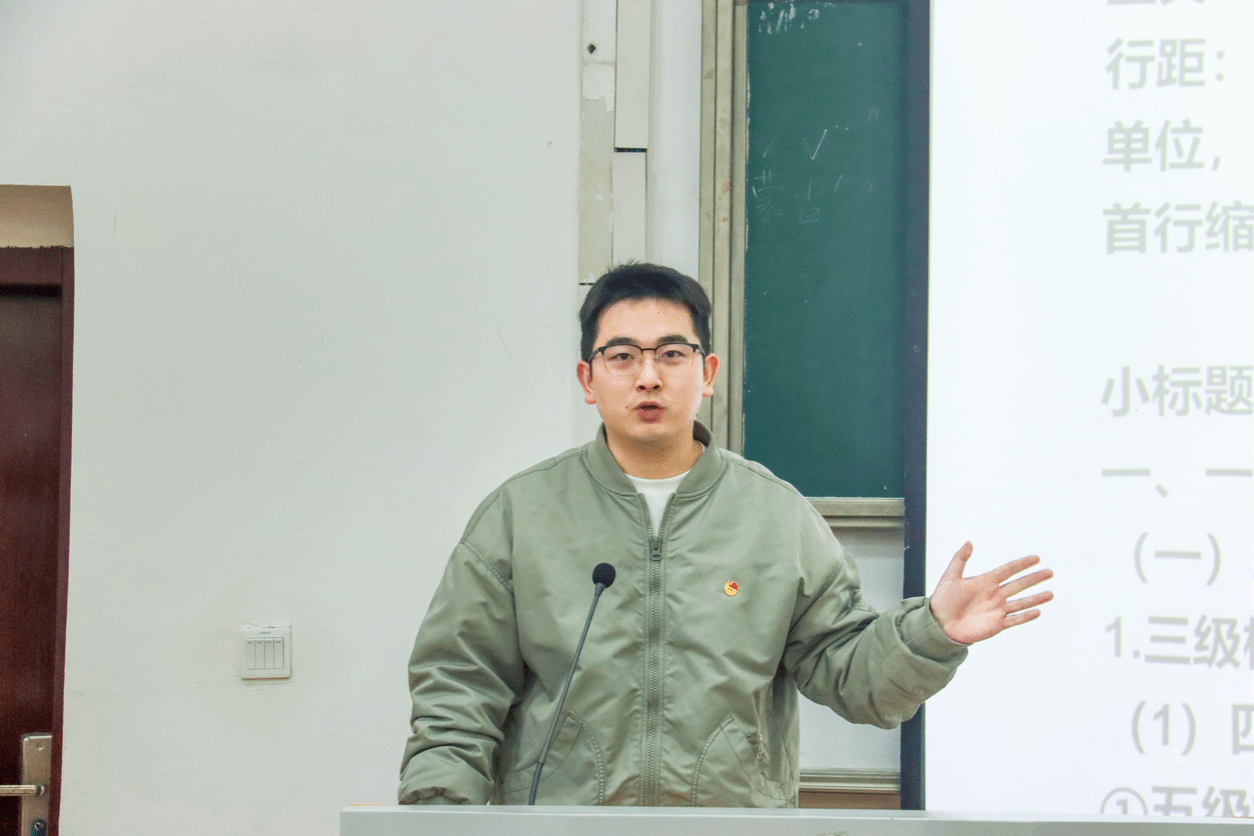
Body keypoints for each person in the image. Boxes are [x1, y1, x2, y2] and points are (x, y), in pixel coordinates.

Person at [398, 263, 1052, 807]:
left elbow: (852, 677)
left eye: (671, 354)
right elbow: (458, 691)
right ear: (588, 380)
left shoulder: (775, 516)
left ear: (706, 373)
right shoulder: (522, 514)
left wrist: (931, 632)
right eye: (622, 356)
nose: (648, 376)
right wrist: (436, 820)